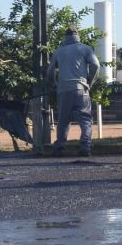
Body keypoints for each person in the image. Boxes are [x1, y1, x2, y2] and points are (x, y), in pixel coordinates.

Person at [47, 27, 100, 156]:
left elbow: (50, 71)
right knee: (85, 120)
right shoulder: (85, 48)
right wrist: (89, 82)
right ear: (77, 35)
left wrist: (55, 83)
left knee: (63, 120)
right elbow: (96, 65)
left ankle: (59, 147)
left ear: (65, 37)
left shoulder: (58, 51)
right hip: (81, 89)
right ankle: (85, 147)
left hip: (64, 90)